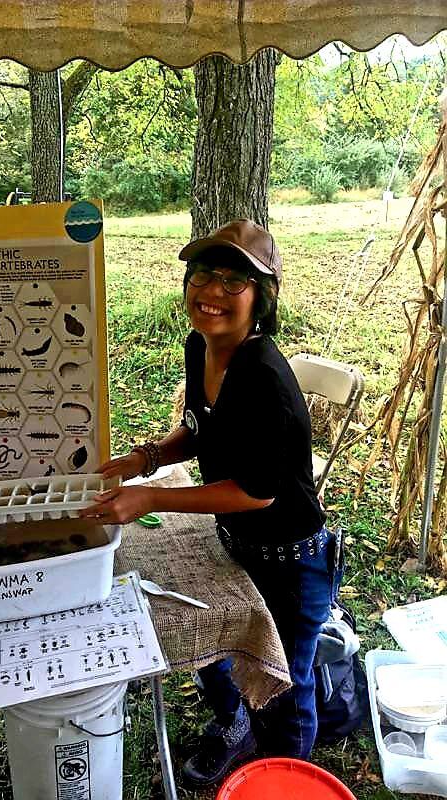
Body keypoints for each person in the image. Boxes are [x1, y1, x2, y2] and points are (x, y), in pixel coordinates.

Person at [80, 219, 335, 787]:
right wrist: (145, 457)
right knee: (213, 640)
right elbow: (200, 428)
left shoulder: (265, 378)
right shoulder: (202, 347)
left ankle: (286, 777)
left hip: (291, 559)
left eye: (231, 280)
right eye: (202, 274)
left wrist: (152, 495)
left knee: (285, 686)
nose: (210, 291)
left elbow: (255, 490)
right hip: (235, 543)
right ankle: (233, 724)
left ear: (261, 298)